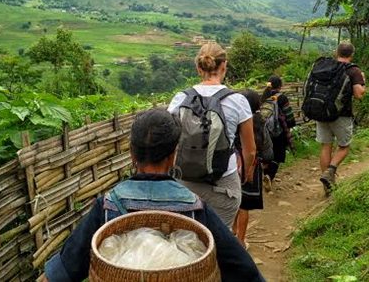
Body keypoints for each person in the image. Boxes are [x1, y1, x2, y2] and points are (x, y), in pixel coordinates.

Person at [42, 109, 265, 282]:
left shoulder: (108, 205)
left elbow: (64, 269)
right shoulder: (195, 208)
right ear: (173, 156)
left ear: (132, 153)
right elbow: (243, 270)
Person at [168, 42, 256, 227]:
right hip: (224, 183)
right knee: (219, 239)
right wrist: (248, 172)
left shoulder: (179, 99)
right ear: (224, 66)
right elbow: (250, 151)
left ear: (198, 68)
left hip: (185, 182)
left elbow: (170, 143)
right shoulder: (237, 101)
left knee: (188, 237)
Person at [317, 43, 365, 193]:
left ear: (337, 52)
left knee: (326, 146)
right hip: (341, 115)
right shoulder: (353, 70)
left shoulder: (325, 66)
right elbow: (358, 95)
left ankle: (327, 187)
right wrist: (363, 83)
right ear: (352, 54)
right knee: (344, 147)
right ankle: (330, 171)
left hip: (321, 112)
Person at [233, 89, 273, 246]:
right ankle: (241, 240)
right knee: (245, 205)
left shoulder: (233, 118)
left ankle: (233, 230)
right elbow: (267, 148)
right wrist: (265, 162)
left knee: (234, 198)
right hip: (252, 166)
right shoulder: (259, 121)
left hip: (232, 164)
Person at [259, 75, 296, 192]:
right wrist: (290, 126)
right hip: (278, 131)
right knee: (278, 155)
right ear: (280, 86)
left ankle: (265, 174)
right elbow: (288, 114)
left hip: (265, 131)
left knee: (266, 154)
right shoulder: (282, 98)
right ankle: (269, 176)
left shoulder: (263, 97)